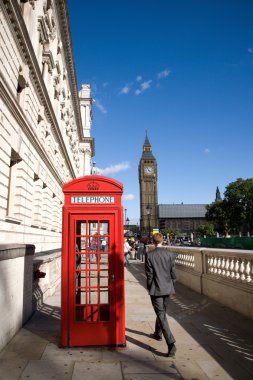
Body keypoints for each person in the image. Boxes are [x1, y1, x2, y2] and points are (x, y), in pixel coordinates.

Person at [145, 232, 177, 357]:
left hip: (156, 289)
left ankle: (171, 343)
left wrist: (150, 288)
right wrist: (171, 286)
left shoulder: (149, 255)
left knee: (161, 314)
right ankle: (158, 333)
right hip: (168, 288)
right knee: (162, 312)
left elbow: (149, 275)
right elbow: (173, 274)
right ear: (162, 240)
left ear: (153, 242)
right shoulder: (170, 254)